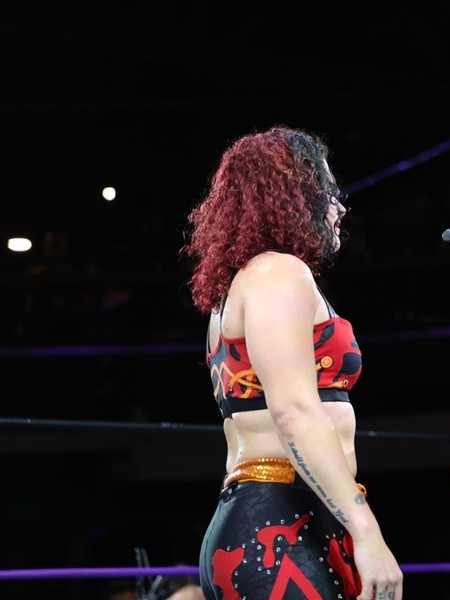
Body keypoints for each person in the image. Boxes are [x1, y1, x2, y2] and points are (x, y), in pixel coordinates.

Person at [182, 126, 403, 600]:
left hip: (277, 516)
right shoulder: (276, 273)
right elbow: (294, 411)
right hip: (277, 520)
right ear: (292, 196)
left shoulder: (242, 286)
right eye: (326, 192)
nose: (339, 207)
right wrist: (367, 531)